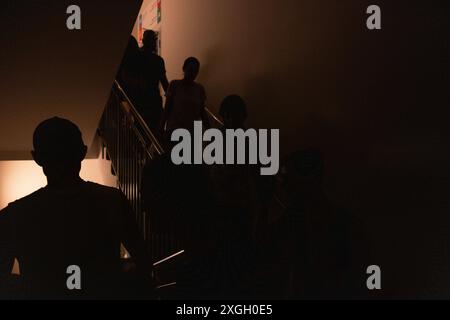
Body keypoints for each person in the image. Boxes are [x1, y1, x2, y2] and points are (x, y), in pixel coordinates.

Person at [0, 117, 152, 299]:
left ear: (38, 158)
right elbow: (143, 263)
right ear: (81, 152)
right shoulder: (112, 200)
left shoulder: (14, 215)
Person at [160, 57, 210, 142]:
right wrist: (161, 127)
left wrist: (210, 130)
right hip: (174, 130)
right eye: (190, 69)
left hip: (192, 133)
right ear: (184, 68)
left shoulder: (199, 89)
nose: (193, 73)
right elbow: (167, 109)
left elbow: (202, 112)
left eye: (195, 71)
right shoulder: (174, 85)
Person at [140, 30, 169, 129]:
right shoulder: (158, 60)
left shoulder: (137, 56)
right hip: (153, 101)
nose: (155, 43)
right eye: (154, 40)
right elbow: (164, 83)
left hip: (141, 101)